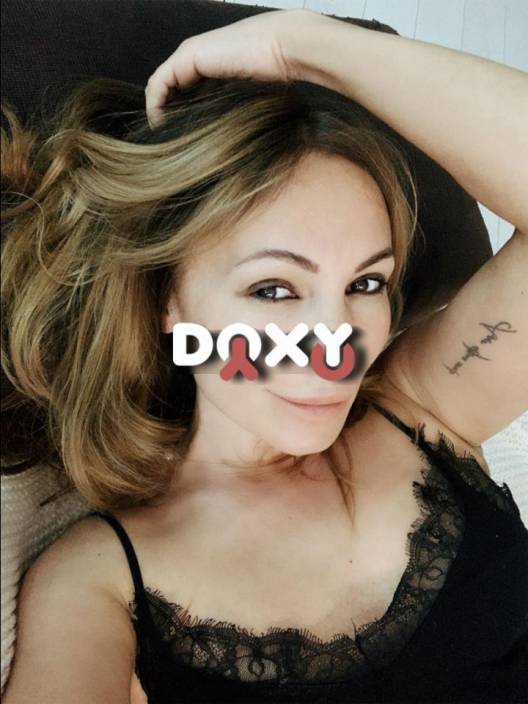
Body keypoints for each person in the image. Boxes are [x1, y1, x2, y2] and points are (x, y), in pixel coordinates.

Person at [2, 8, 527, 704]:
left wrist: (300, 45)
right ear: (170, 302)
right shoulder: (98, 583)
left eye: (366, 284)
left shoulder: (427, 409)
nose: (335, 342)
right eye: (274, 289)